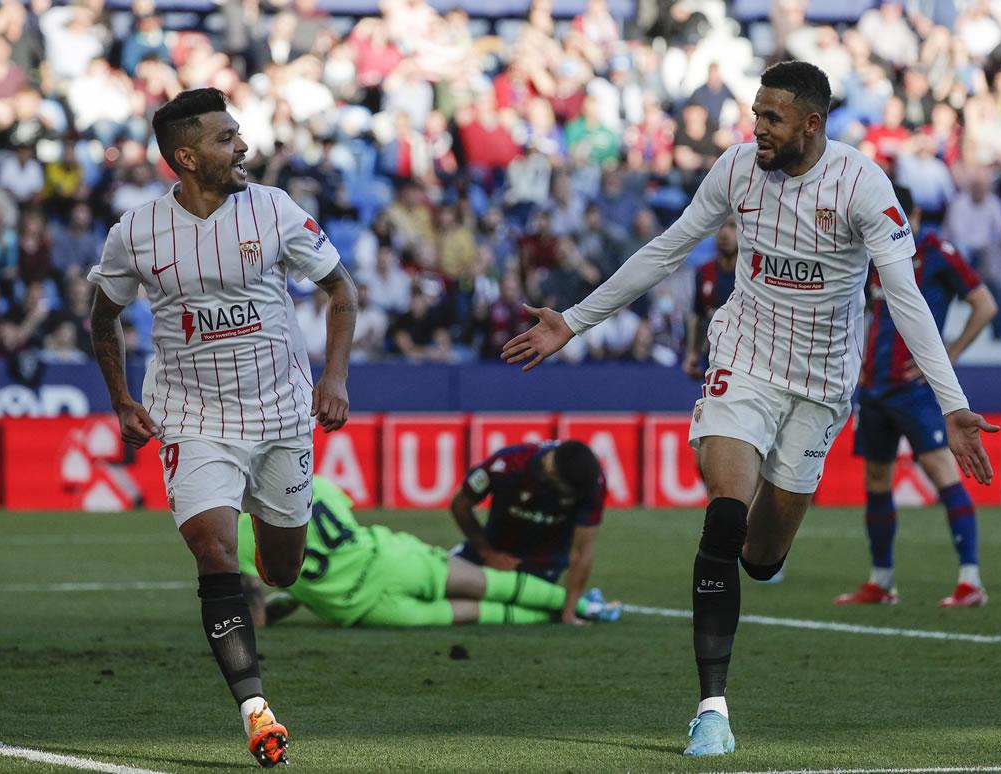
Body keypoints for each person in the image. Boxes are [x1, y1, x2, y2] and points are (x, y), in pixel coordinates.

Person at [501, 61, 996, 757]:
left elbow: (905, 299)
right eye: (755, 114)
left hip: (822, 384)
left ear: (812, 124)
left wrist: (953, 404)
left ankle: (762, 556)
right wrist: (575, 321)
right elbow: (668, 247)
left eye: (772, 118)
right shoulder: (736, 170)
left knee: (762, 557)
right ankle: (712, 710)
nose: (756, 128)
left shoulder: (862, 185)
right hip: (744, 360)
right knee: (726, 515)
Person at [86, 87, 357, 769]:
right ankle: (255, 709)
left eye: (238, 135)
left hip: (281, 413)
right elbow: (102, 317)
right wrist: (121, 399)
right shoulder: (136, 232)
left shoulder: (275, 210)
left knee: (285, 569)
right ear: (186, 156)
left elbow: (342, 291)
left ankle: (266, 573)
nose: (242, 147)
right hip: (191, 415)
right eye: (225, 138)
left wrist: (335, 378)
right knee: (213, 550)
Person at [838, 188, 997, 608]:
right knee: (876, 478)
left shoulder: (937, 251)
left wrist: (951, 353)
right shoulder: (872, 253)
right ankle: (882, 582)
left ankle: (970, 581)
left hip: (916, 390)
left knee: (942, 471)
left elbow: (984, 304)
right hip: (873, 387)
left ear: (915, 215)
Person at [238, 477, 622, 628]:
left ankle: (552, 618)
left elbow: (253, 614)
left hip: (361, 607)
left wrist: (272, 611)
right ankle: (584, 607)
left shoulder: (242, 532)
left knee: (471, 613)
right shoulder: (311, 485)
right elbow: (339, 530)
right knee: (485, 583)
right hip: (390, 559)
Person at [449, 440, 606, 625]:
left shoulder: (592, 483)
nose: (576, 498)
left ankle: (580, 605)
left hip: (540, 571)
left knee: (478, 607)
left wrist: (569, 614)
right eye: (570, 494)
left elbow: (582, 551)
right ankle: (589, 605)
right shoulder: (507, 464)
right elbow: (459, 504)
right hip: (485, 557)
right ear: (551, 472)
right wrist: (488, 554)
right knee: (442, 589)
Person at [682, 219, 738, 380]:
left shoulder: (752, 274)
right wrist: (693, 353)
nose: (725, 233)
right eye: (721, 226)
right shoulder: (704, 272)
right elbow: (698, 315)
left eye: (732, 226)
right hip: (714, 356)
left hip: (747, 358)